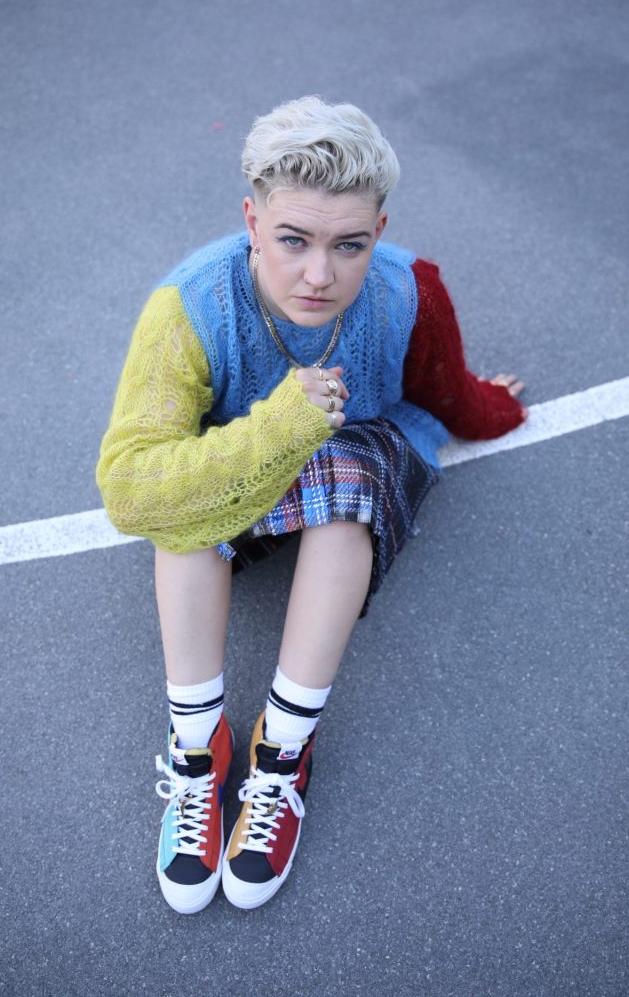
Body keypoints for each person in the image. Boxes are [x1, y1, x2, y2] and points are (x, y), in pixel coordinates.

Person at [96, 96, 526, 914]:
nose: (320, 275)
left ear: (378, 231)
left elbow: (445, 391)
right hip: (243, 453)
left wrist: (492, 408)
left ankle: (282, 752)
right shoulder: (187, 307)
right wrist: (282, 424)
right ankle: (199, 748)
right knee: (178, 513)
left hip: (352, 459)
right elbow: (128, 487)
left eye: (349, 245)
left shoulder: (409, 290)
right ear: (251, 221)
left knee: (347, 481)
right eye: (293, 240)